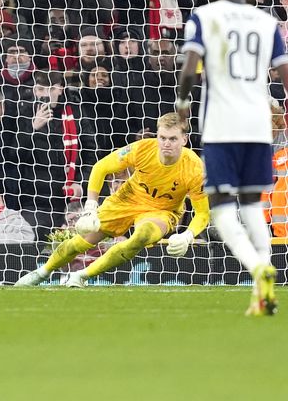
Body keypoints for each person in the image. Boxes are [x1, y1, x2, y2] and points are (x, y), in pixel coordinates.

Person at [176, 0, 288, 316]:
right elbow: (284, 69)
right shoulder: (266, 21)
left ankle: (258, 269)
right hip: (258, 121)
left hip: (222, 123)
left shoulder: (205, 16)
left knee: (224, 210)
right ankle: (263, 290)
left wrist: (182, 101)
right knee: (254, 204)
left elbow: (191, 63)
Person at [16, 112, 209, 288]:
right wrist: (90, 206)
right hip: (126, 199)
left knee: (141, 236)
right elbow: (101, 167)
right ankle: (42, 272)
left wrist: (188, 235)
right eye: (162, 138)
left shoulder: (195, 169)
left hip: (162, 211)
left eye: (173, 139)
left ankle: (82, 275)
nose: (166, 143)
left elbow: (202, 213)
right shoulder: (141, 149)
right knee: (83, 241)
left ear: (184, 139)